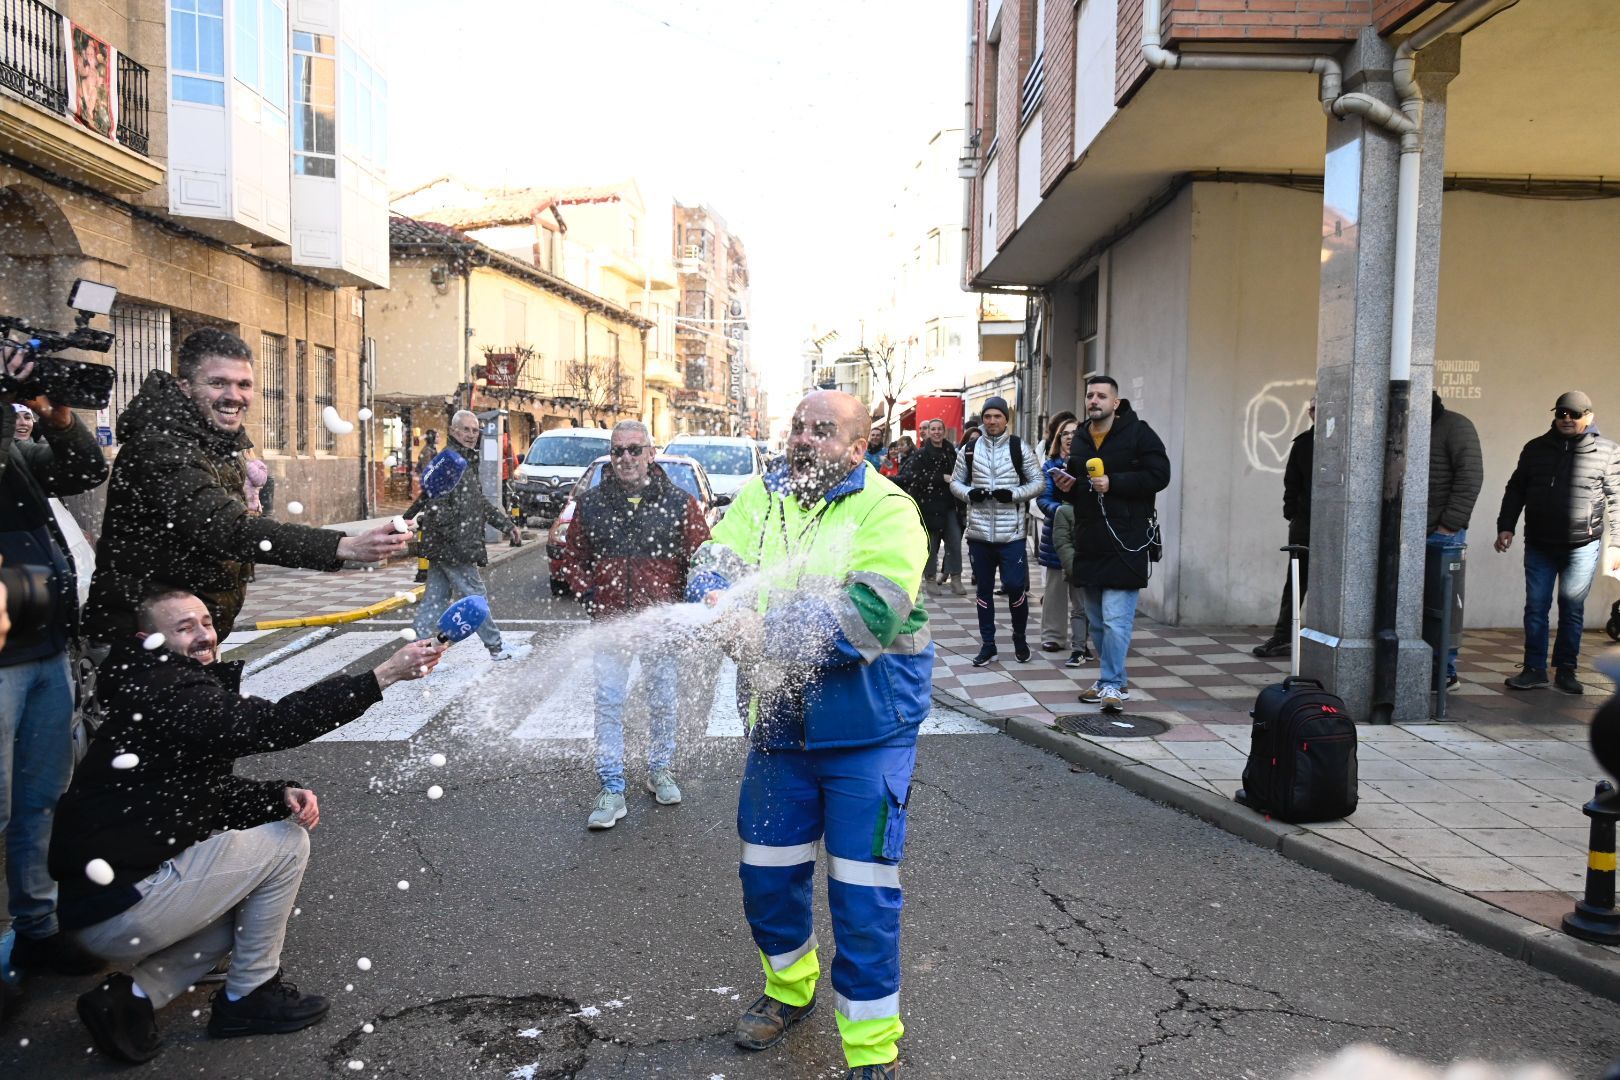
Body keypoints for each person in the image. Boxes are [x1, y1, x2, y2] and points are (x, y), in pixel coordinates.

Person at [51, 588, 445, 1062]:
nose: (203, 635)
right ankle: (249, 995)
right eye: (183, 628)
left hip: (100, 905)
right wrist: (383, 675)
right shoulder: (169, 692)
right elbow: (273, 725)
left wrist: (275, 794)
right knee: (286, 843)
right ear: (148, 639)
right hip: (118, 905)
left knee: (246, 909)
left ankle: (131, 998)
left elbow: (193, 797)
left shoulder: (154, 683)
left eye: (205, 622)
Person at [688, 390, 931, 1080]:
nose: (803, 439)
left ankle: (870, 1050)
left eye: (823, 431)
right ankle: (789, 990)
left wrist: (763, 633)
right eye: (797, 427)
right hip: (780, 725)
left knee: (861, 894)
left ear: (859, 447)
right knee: (767, 876)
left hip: (866, 730)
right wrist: (710, 594)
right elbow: (715, 557)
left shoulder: (889, 509)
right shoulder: (765, 498)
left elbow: (869, 616)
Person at [83, 328, 408, 643]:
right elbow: (229, 529)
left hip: (184, 633)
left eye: (244, 384)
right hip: (147, 636)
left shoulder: (212, 440)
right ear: (184, 386)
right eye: (217, 383)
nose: (233, 396)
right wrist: (343, 546)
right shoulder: (161, 447)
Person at [0, 344, 110, 988]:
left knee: (40, 800)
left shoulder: (18, 450)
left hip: (41, 646)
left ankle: (37, 931)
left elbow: (81, 469)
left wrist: (54, 410)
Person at [558, 420, 710, 830]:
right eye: (618, 450)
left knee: (662, 700)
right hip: (610, 623)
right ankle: (611, 786)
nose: (626, 458)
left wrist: (690, 607)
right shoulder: (591, 505)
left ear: (650, 453)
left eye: (634, 450)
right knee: (608, 704)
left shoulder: (680, 504)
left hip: (660, 625)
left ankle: (659, 769)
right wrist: (589, 595)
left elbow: (702, 562)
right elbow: (571, 558)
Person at [1495, 390, 1620, 695]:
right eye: (1561, 413)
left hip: (1583, 544)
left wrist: (1617, 544)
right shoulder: (1535, 448)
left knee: (1571, 607)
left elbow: (1617, 499)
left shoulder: (1607, 451)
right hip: (1539, 542)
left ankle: (1566, 670)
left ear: (1589, 417)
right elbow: (1516, 488)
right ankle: (1534, 669)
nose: (1566, 419)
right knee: (1536, 607)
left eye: (1574, 414)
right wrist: (1505, 526)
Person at [1065, 375, 1171, 712]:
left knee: (1115, 619)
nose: (1094, 401)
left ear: (1116, 401)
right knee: (1097, 621)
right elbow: (1078, 478)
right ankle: (1112, 679)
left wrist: (1116, 482)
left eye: (1101, 396)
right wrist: (1067, 485)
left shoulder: (1139, 433)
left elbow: (1160, 475)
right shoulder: (1081, 437)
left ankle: (1111, 685)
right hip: (1090, 539)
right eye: (1089, 395)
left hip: (1127, 540)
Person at [405, 409, 526, 661]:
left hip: (445, 544)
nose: (471, 435)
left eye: (475, 430)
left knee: (435, 599)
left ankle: (417, 650)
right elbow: (437, 506)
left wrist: (507, 525)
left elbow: (478, 502)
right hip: (453, 546)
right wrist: (456, 537)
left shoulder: (465, 461)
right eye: (466, 429)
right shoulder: (449, 462)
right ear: (453, 431)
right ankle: (497, 647)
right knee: (475, 599)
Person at [950, 395, 1045, 666]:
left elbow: (1039, 482)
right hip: (979, 534)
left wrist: (1013, 494)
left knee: (1015, 587)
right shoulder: (969, 449)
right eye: (988, 416)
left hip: (1011, 535)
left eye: (997, 416)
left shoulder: (1019, 447)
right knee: (984, 592)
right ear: (983, 419)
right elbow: (956, 483)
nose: (992, 421)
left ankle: (1019, 638)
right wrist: (971, 493)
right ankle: (988, 644)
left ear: (1006, 419)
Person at [1426, 392, 1484, 687]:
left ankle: (1445, 672)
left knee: (1445, 605)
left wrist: (1449, 525)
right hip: (1411, 533)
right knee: (1423, 607)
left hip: (1441, 533)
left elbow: (1470, 477)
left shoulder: (1456, 426)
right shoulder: (1409, 424)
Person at [1254, 397, 1315, 658]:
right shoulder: (1303, 445)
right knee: (1296, 581)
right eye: (1312, 408)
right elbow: (1291, 483)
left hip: (1337, 526)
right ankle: (1283, 637)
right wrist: (1292, 514)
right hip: (1305, 523)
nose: (1314, 412)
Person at [1038, 416, 1091, 660]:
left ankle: (1082, 640)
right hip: (1056, 535)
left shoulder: (1090, 464)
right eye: (1065, 433)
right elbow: (1043, 498)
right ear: (1058, 439)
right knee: (1055, 588)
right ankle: (1053, 636)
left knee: (1083, 592)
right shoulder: (1050, 466)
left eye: (1075, 433)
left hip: (1084, 534)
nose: (1070, 437)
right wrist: (1059, 511)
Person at [897, 419, 963, 594]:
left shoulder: (950, 451)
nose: (936, 432)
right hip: (928, 505)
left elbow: (959, 475)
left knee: (954, 541)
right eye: (933, 429)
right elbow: (915, 478)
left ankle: (956, 577)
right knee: (931, 544)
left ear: (944, 431)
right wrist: (941, 478)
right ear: (929, 431)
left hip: (949, 504)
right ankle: (930, 579)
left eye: (939, 429)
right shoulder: (921, 454)